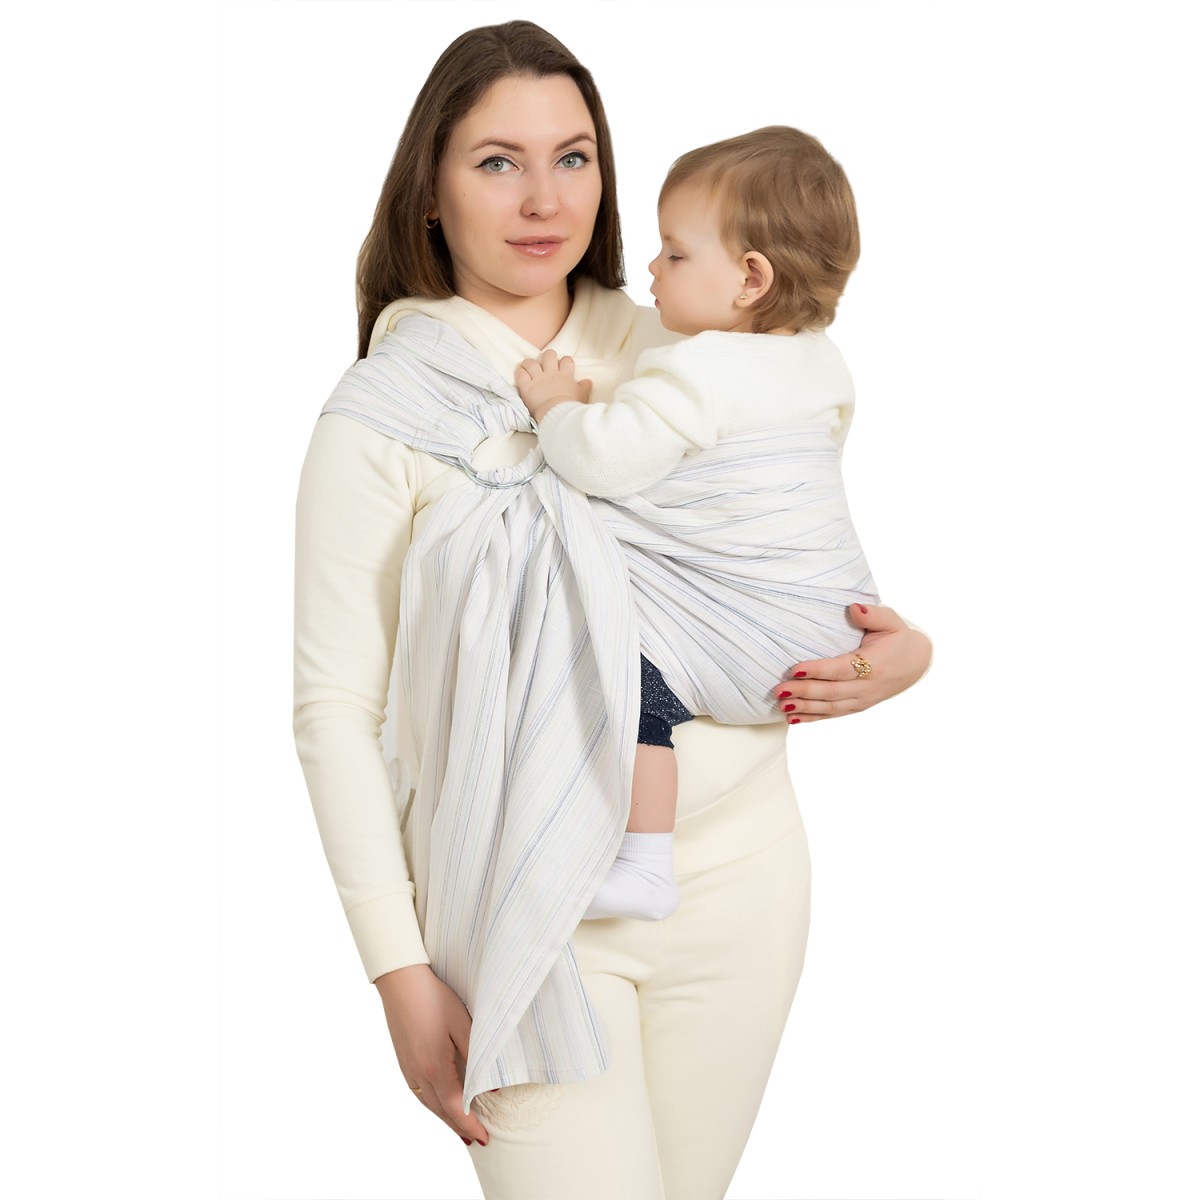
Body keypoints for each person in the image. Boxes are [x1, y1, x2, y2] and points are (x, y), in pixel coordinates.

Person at [293, 20, 932, 1199]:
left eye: (573, 157)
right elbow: (335, 710)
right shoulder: (379, 420)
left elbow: (780, 534)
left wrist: (901, 651)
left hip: (744, 881)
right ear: (429, 189)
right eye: (498, 161)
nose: (545, 199)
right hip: (527, 903)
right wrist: (396, 970)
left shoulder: (687, 340)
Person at [515, 125, 877, 925]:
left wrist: (558, 409)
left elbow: (602, 462)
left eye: (674, 254)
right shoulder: (824, 361)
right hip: (831, 622)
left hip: (742, 631)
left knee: (619, 666)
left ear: (751, 278)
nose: (651, 269)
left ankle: (644, 863)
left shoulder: (700, 367)